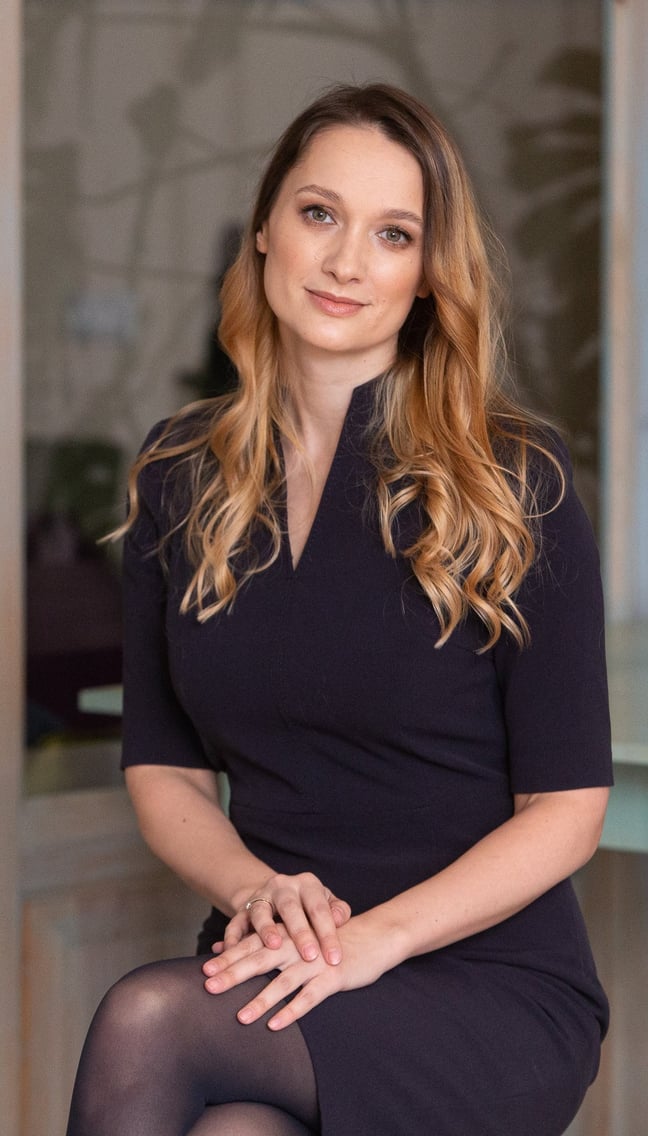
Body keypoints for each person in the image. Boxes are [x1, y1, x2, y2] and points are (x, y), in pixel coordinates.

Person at [65, 82, 613, 1136]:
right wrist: (253, 889)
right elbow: (164, 769)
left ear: (428, 273)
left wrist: (374, 940)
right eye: (320, 213)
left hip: (483, 982)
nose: (347, 261)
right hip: (283, 964)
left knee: (148, 1019)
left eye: (393, 233)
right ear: (265, 226)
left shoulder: (514, 478)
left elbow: (566, 810)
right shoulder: (180, 472)